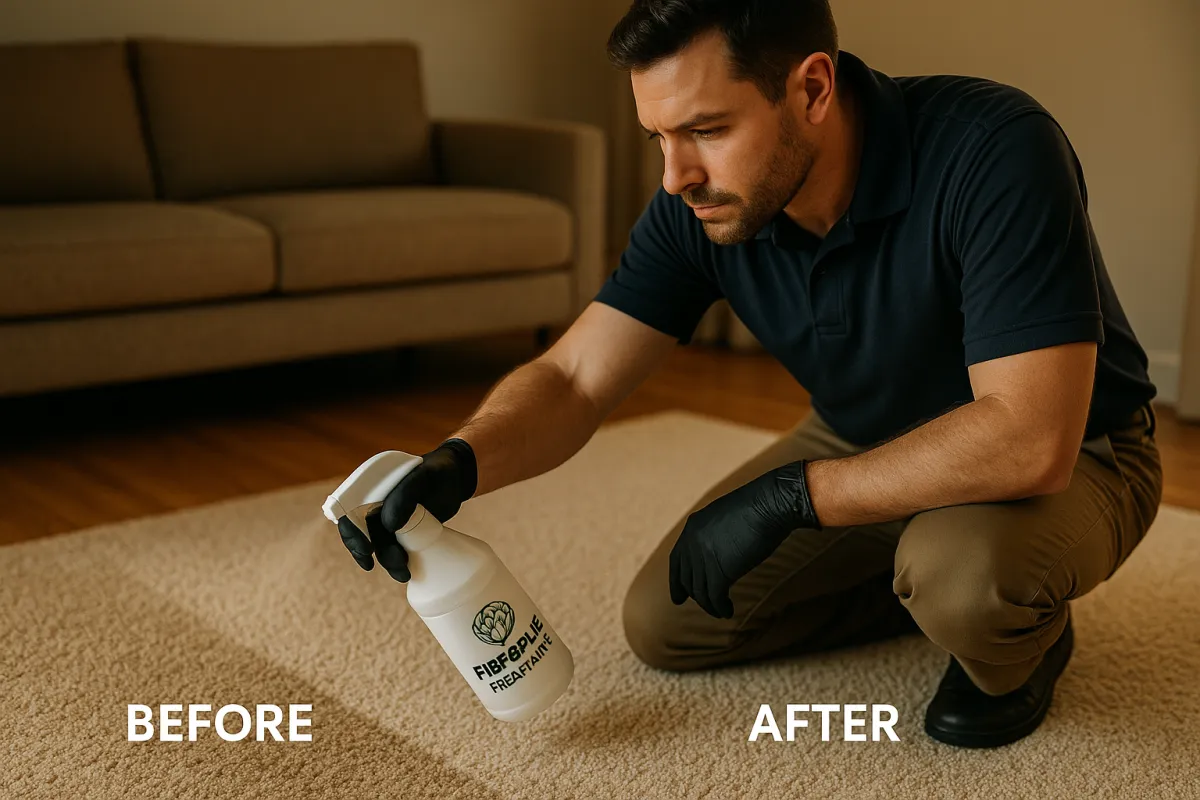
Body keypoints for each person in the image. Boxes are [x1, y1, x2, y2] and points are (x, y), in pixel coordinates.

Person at [335, 0, 1162, 748]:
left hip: (1079, 451)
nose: (674, 176)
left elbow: (1029, 436)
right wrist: (459, 461)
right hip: (861, 433)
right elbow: (577, 378)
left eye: (705, 129)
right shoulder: (702, 202)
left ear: (810, 89)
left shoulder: (993, 149)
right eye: (659, 137)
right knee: (668, 623)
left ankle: (1022, 627)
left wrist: (790, 497)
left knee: (965, 582)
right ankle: (918, 572)